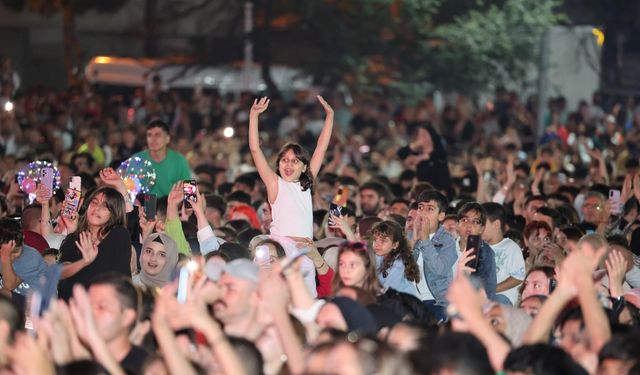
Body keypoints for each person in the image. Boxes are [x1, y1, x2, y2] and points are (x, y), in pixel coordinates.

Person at [248, 96, 333, 241]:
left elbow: (321, 149)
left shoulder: (305, 185)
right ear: (279, 164)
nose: (288, 165)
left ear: (304, 167)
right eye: (285, 160)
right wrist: (254, 116)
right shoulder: (274, 184)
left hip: (306, 252)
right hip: (281, 251)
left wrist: (330, 116)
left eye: (295, 161)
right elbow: (255, 150)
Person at [58, 186, 132, 300]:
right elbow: (60, 272)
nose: (97, 208)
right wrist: (84, 262)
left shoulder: (119, 235)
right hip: (69, 304)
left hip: (101, 306)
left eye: (105, 206)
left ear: (114, 212)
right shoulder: (75, 236)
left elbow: (120, 277)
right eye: (94, 202)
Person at [411, 190, 457, 321]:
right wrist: (413, 241)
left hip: (436, 301)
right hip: (412, 300)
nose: (423, 213)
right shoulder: (411, 236)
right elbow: (402, 268)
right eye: (420, 208)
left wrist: (425, 239)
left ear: (441, 216)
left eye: (430, 209)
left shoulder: (447, 240)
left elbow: (440, 270)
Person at [482, 202, 525, 305]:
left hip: (504, 298)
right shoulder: (479, 247)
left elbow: (518, 277)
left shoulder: (511, 247)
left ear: (496, 224)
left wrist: (493, 289)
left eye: (482, 224)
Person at [135, 120, 192, 197]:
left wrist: (189, 207)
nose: (153, 139)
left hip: (173, 206)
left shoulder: (180, 161)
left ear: (167, 139)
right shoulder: (137, 159)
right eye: (149, 135)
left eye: (157, 135)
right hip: (144, 206)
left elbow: (190, 193)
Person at [455, 202, 497, 301]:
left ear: (482, 229)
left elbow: (488, 288)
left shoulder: (486, 253)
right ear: (457, 224)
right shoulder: (446, 246)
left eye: (475, 222)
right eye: (465, 220)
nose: (469, 225)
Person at [0, 218, 47, 298]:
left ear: (23, 240)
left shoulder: (30, 256)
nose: (11, 257)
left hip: (38, 303)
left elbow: (10, 286)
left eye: (15, 252)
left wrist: (5, 256)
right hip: (16, 300)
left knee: (4, 293)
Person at [371, 220, 420, 297]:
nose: (377, 244)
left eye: (383, 241)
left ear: (395, 245)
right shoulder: (378, 256)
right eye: (375, 239)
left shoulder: (399, 262)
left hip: (405, 304)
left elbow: (390, 290)